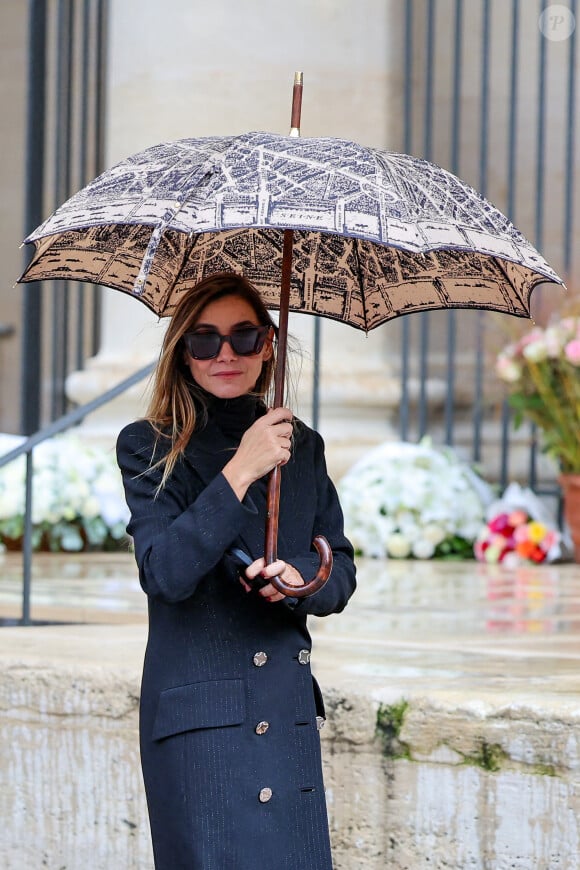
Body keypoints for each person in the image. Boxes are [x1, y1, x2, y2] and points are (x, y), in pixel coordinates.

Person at [116, 271, 357, 870]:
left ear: (269, 344)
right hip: (204, 730)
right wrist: (240, 470)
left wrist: (300, 579)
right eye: (204, 340)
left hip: (282, 711)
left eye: (244, 338)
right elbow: (165, 572)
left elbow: (341, 568)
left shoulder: (301, 447)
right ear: (183, 351)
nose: (225, 354)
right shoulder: (147, 445)